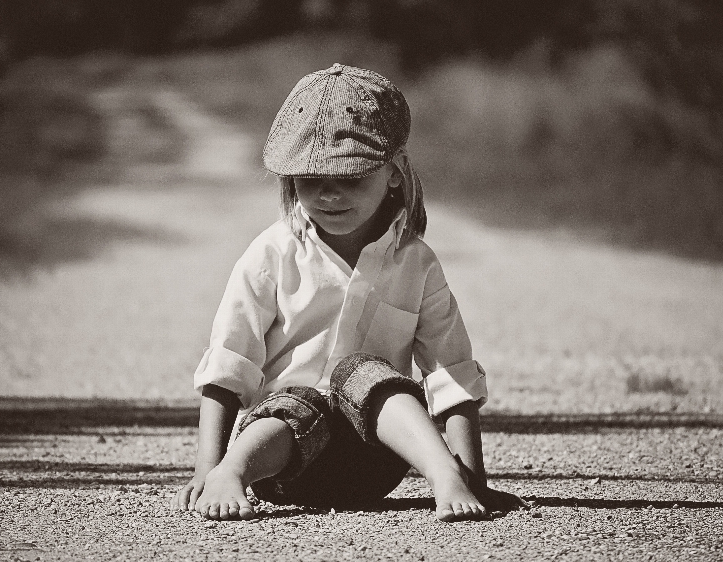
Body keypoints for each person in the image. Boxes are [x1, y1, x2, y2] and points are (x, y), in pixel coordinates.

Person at [171, 63, 526, 522]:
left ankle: (446, 475)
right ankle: (232, 473)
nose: (329, 195)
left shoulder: (416, 263)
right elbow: (229, 364)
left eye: (350, 178)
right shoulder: (272, 253)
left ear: (394, 173)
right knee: (301, 400)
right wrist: (209, 465)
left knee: (362, 373)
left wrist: (474, 479)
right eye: (311, 180)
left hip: (376, 464)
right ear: (290, 180)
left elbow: (450, 375)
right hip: (280, 464)